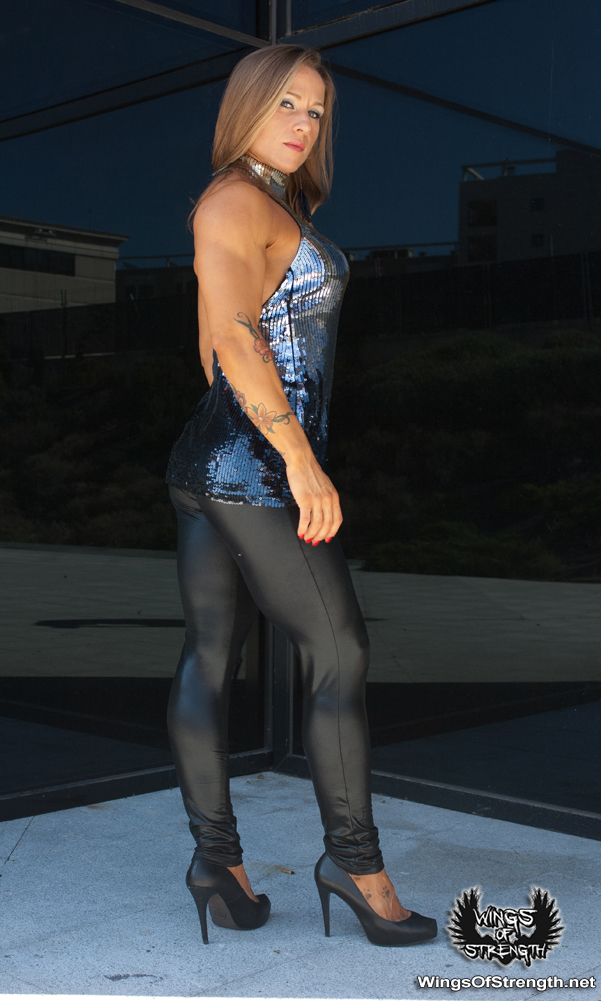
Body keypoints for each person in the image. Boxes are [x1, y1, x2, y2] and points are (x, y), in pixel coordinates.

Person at [165, 43, 437, 949]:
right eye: (285, 102)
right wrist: (298, 460)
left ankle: (218, 867)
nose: (303, 123)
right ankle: (356, 867)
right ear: (245, 106)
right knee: (338, 653)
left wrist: (257, 441)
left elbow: (210, 342)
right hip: (253, 470)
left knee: (210, 657)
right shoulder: (234, 199)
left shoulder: (264, 204)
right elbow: (234, 341)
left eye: (315, 110)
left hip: (211, 462)